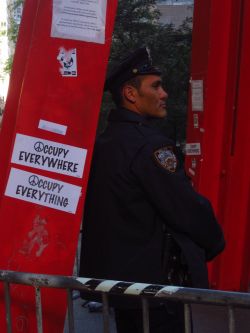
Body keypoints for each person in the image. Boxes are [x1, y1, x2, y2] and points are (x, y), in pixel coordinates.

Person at [79, 47, 225, 333]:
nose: (164, 94)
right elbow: (187, 209)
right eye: (156, 86)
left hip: (123, 291)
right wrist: (215, 241)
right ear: (131, 94)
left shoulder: (104, 144)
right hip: (157, 291)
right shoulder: (150, 146)